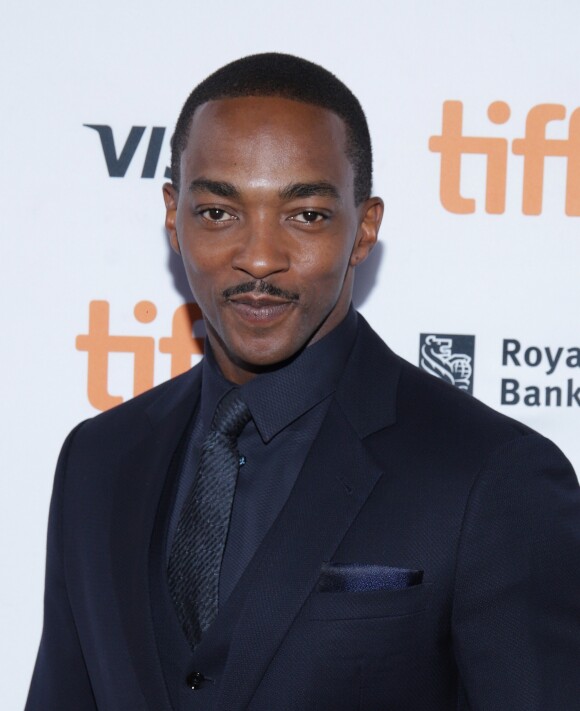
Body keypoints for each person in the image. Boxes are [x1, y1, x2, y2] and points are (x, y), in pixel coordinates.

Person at [26, 53, 580, 711]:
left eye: (307, 215)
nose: (260, 257)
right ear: (173, 215)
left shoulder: (492, 476)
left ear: (364, 228)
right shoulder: (98, 460)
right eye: (218, 213)